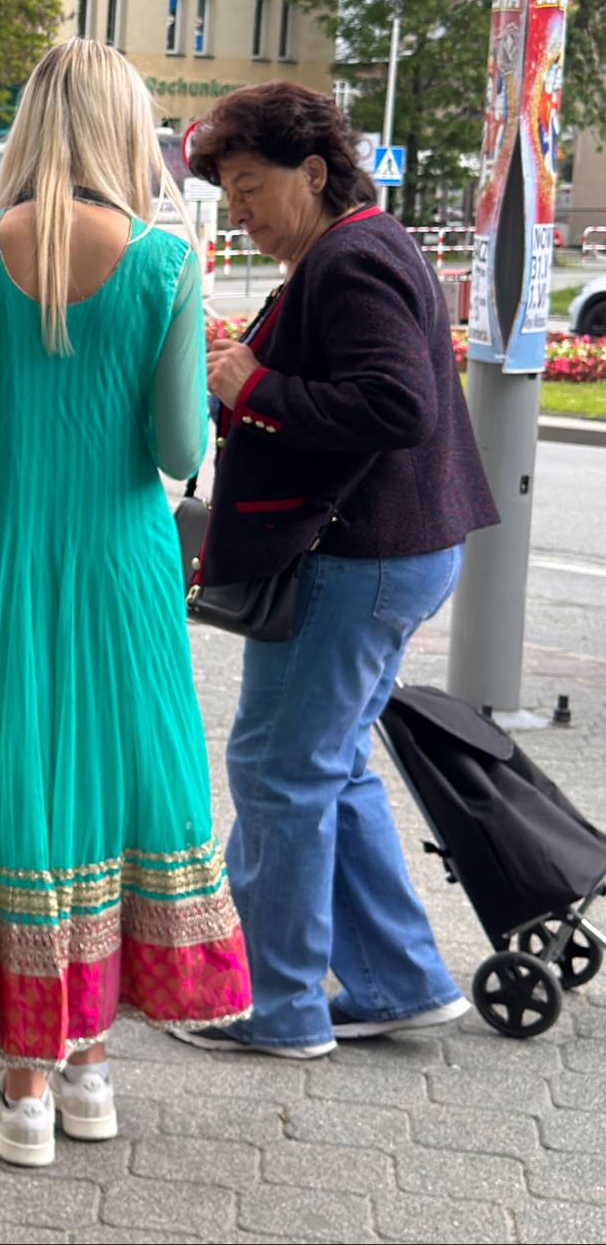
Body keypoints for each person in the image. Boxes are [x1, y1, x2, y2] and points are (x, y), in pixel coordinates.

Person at [0, 41, 252, 1167]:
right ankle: (88, 1070)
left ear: (33, 123)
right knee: (116, 781)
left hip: (0, 555)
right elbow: (180, 445)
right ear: (124, 129)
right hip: (121, 563)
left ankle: (22, 1082)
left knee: (9, 779)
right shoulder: (165, 261)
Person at [172, 81, 498, 1059]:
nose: (236, 209)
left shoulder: (350, 258)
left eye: (245, 186)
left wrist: (253, 385)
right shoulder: (356, 240)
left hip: (353, 556)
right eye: (225, 192)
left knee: (275, 771)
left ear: (310, 171)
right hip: (395, 548)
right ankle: (397, 979)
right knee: (327, 766)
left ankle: (277, 1007)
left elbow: (391, 404)